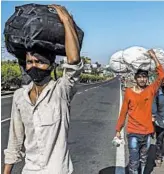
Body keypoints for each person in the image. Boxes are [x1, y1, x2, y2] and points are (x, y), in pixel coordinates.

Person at [3, 5, 84, 174]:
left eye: (39, 62)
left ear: (51, 65)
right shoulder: (20, 96)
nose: (34, 66)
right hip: (30, 170)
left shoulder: (62, 90)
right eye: (30, 62)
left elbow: (74, 61)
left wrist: (66, 20)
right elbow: (15, 141)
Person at [115, 49, 164, 174]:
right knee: (134, 161)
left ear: (147, 79)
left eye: (145, 77)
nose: (142, 79)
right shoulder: (129, 92)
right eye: (140, 77)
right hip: (133, 132)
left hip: (147, 132)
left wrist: (154, 57)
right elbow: (123, 112)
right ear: (135, 78)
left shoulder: (150, 90)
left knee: (143, 160)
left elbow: (162, 76)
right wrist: (118, 130)